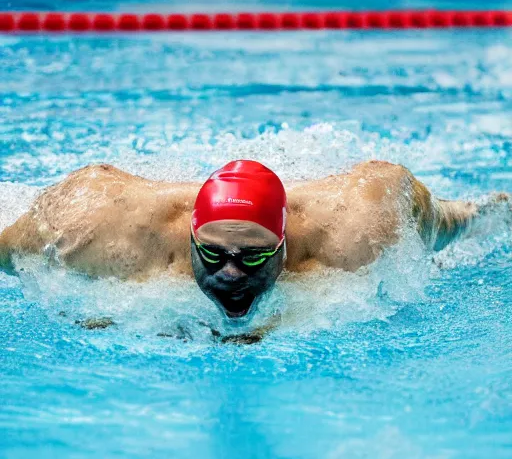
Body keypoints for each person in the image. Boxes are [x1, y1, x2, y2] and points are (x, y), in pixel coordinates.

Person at [0, 159, 507, 319]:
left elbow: (435, 218)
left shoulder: (357, 234)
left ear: (286, 242)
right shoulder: (94, 236)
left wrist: (479, 217)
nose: (231, 273)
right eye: (214, 253)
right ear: (191, 235)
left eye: (255, 255)